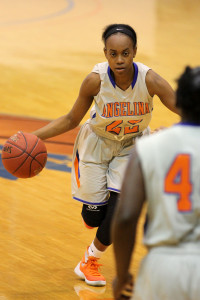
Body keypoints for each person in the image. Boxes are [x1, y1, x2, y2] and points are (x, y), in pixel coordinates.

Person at [32, 23, 179, 287]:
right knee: (94, 217)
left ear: (135, 51)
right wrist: (35, 136)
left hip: (132, 147)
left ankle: (89, 260)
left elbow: (186, 109)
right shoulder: (95, 80)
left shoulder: (150, 80)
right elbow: (70, 119)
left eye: (125, 53)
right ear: (105, 53)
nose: (119, 60)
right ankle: (97, 210)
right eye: (113, 54)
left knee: (119, 212)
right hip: (97, 145)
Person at [111, 66, 200, 299]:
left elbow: (127, 216)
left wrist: (122, 276)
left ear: (178, 102)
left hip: (163, 268)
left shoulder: (150, 146)